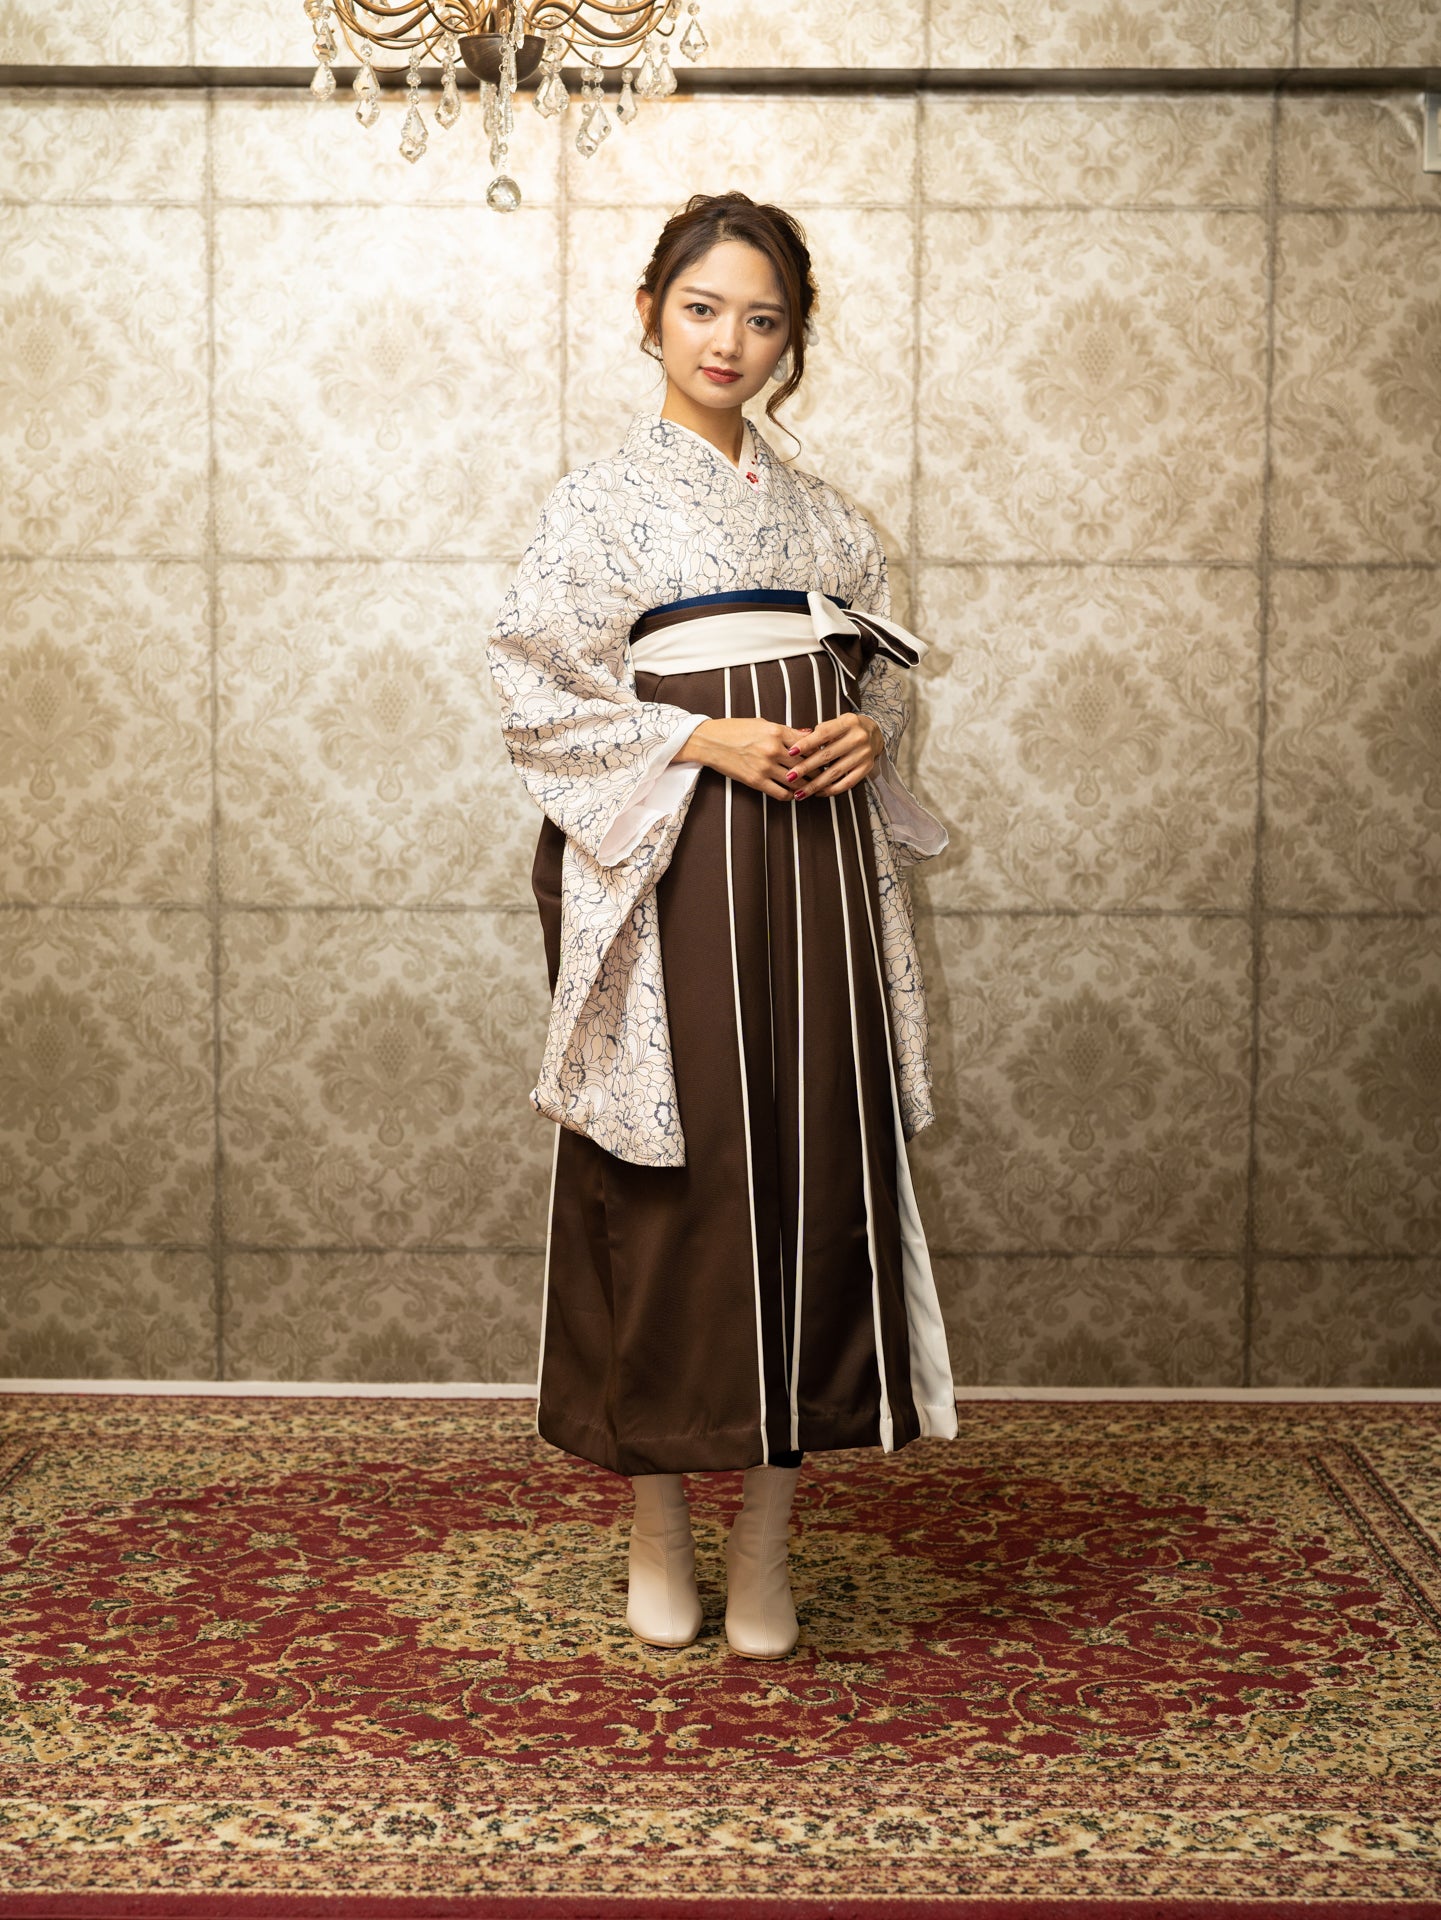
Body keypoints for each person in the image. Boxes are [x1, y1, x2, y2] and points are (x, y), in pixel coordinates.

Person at [488, 191, 956, 1663]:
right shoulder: (593, 507)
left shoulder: (829, 520)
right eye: (702, 309)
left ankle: (766, 1535)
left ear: (792, 339)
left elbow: (881, 681)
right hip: (670, 873)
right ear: (650, 314)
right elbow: (536, 696)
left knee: (806, 1176)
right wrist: (698, 739)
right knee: (673, 1186)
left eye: (763, 319)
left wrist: (866, 736)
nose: (728, 342)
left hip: (811, 869)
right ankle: (655, 1522)